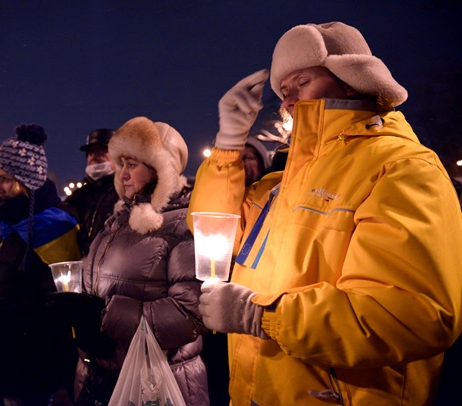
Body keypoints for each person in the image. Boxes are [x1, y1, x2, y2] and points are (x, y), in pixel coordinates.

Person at [189, 21, 462, 405]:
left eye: (301, 83)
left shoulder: (401, 168)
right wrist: (228, 143)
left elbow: (411, 314)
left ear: (350, 80)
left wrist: (262, 316)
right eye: (283, 92)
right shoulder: (280, 185)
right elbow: (212, 229)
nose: (287, 101)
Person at [75, 116, 209, 406]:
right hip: (105, 376)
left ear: (162, 169)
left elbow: (191, 314)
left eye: (132, 165)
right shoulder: (118, 221)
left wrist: (105, 318)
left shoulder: (184, 226)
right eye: (120, 164)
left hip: (157, 384)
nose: (122, 174)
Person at [0, 123, 81, 405]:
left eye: (6, 180)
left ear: (28, 182)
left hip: (29, 357)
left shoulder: (56, 227)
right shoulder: (5, 223)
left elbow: (60, 302)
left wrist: (13, 311)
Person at [66, 128, 119, 256]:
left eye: (103, 150)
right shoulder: (77, 197)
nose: (96, 156)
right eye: (91, 152)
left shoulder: (123, 193)